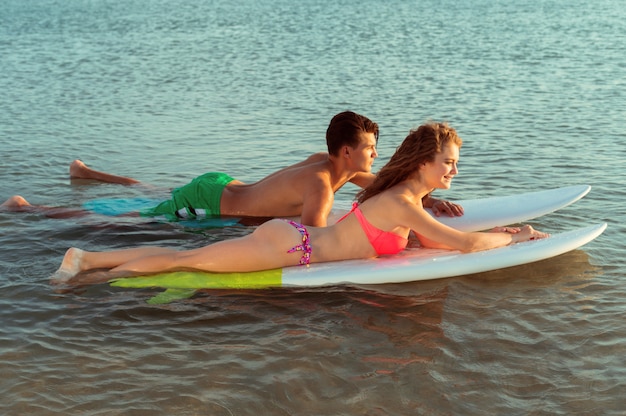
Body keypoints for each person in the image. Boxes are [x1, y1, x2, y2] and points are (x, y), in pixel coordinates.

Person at [51, 121, 548, 286]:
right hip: (296, 249)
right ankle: (86, 260)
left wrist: (436, 208)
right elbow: (461, 244)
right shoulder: (400, 200)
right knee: (187, 260)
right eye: (449, 162)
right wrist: (516, 236)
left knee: (189, 263)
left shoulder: (401, 195)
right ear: (423, 163)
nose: (453, 171)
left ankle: (92, 266)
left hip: (295, 243)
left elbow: (426, 232)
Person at [2, 111, 463, 226]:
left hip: (224, 182)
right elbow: (312, 242)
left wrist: (426, 197)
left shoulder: (328, 166)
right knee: (123, 221)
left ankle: (86, 172)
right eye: (367, 149)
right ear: (345, 151)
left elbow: (382, 185)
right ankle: (29, 207)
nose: (373, 157)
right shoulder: (321, 184)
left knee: (151, 190)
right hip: (208, 201)